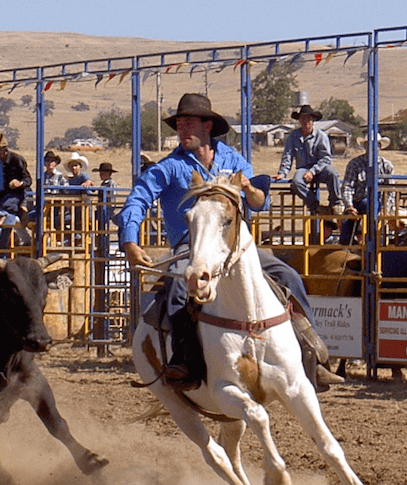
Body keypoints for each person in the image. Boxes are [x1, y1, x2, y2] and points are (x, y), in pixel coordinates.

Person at [117, 93, 329, 392]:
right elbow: (137, 199)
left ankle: (312, 355)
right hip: (190, 248)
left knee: (288, 276)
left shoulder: (234, 160)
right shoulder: (168, 167)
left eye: (188, 123)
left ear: (207, 126)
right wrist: (129, 240)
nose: (182, 130)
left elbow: (259, 202)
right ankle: (184, 359)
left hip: (237, 248)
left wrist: (248, 187)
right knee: (179, 288)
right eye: (179, 124)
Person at [277, 105, 343, 241]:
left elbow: (326, 159)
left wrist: (313, 171)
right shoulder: (293, 136)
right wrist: (282, 173)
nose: (306, 121)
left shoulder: (321, 136)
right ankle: (315, 205)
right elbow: (287, 156)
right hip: (302, 168)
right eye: (303, 118)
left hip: (320, 168)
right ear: (300, 120)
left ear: (313, 121)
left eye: (308, 118)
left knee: (333, 174)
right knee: (296, 182)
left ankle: (335, 203)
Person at [339, 134, 395, 245]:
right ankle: (348, 246)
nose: (372, 148)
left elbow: (390, 191)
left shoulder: (387, 166)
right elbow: (347, 187)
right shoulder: (354, 164)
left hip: (378, 205)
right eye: (369, 144)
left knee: (378, 222)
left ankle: (376, 244)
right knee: (346, 229)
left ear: (379, 146)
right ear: (365, 146)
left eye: (375, 145)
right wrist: (349, 206)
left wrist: (385, 208)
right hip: (357, 203)